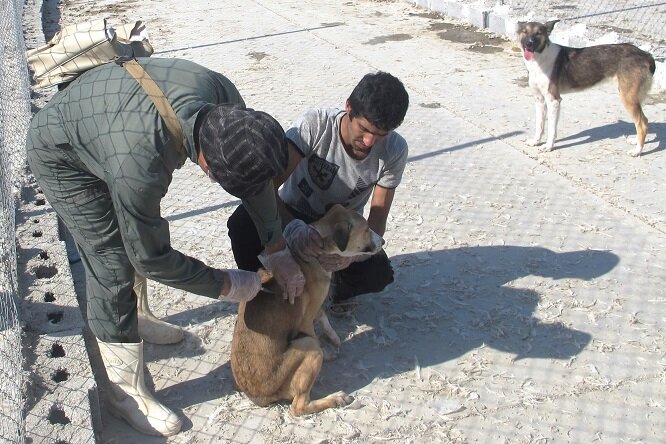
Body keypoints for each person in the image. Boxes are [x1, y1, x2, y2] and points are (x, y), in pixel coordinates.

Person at [26, 57, 308, 437]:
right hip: (61, 152)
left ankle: (136, 317)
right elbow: (152, 257)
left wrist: (276, 247)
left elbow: (255, 179)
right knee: (112, 260)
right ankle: (125, 393)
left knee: (134, 230)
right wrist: (226, 284)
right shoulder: (140, 165)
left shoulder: (224, 99)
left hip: (110, 119)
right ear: (208, 167)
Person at [227, 71, 409, 315]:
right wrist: (293, 230)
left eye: (380, 135)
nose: (368, 141)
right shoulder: (315, 125)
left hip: (342, 230)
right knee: (242, 221)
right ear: (348, 107)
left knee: (377, 274)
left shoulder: (394, 151)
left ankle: (333, 289)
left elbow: (376, 223)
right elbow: (266, 190)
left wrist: (350, 258)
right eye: (364, 129)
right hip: (291, 213)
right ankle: (265, 290)